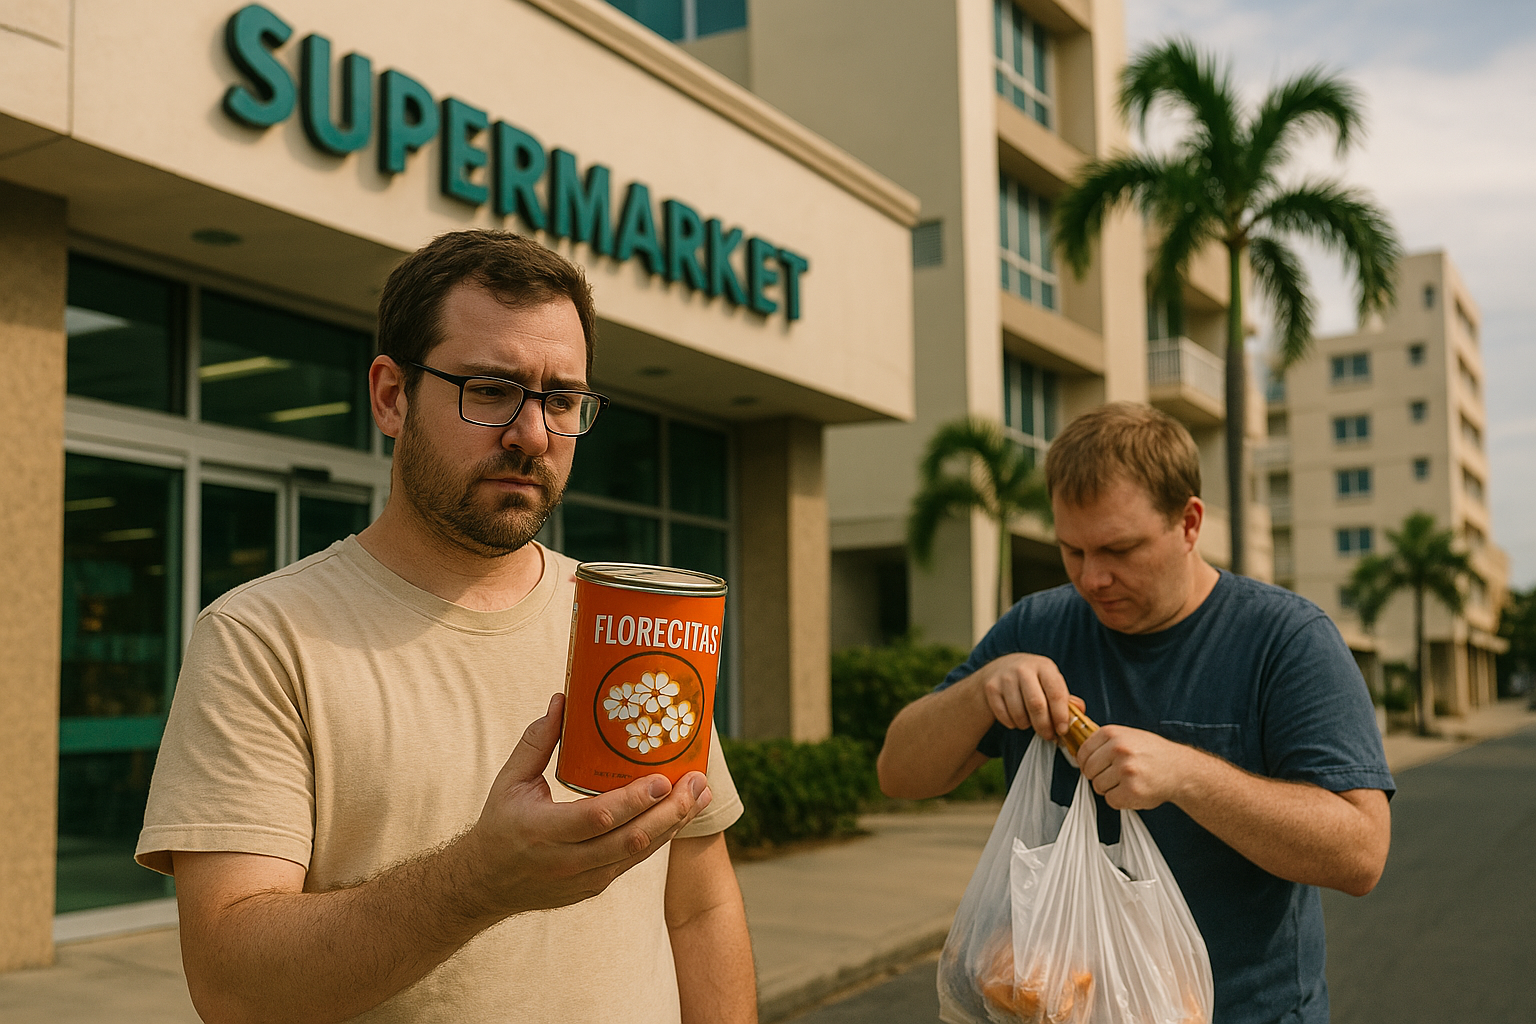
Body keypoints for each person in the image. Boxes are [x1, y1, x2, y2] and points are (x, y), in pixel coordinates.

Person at [136, 230, 755, 1024]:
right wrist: (478, 882)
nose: (533, 435)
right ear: (391, 396)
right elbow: (233, 985)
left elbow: (696, 906)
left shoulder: (632, 622)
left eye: (561, 400)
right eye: (491, 389)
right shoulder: (263, 637)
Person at [879, 402, 1393, 1024]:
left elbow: (1360, 853)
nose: (1093, 579)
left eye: (1119, 549)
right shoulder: (1037, 626)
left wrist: (1188, 776)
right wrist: (983, 686)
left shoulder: (1285, 641)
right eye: (1073, 551)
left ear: (1189, 522)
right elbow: (899, 773)